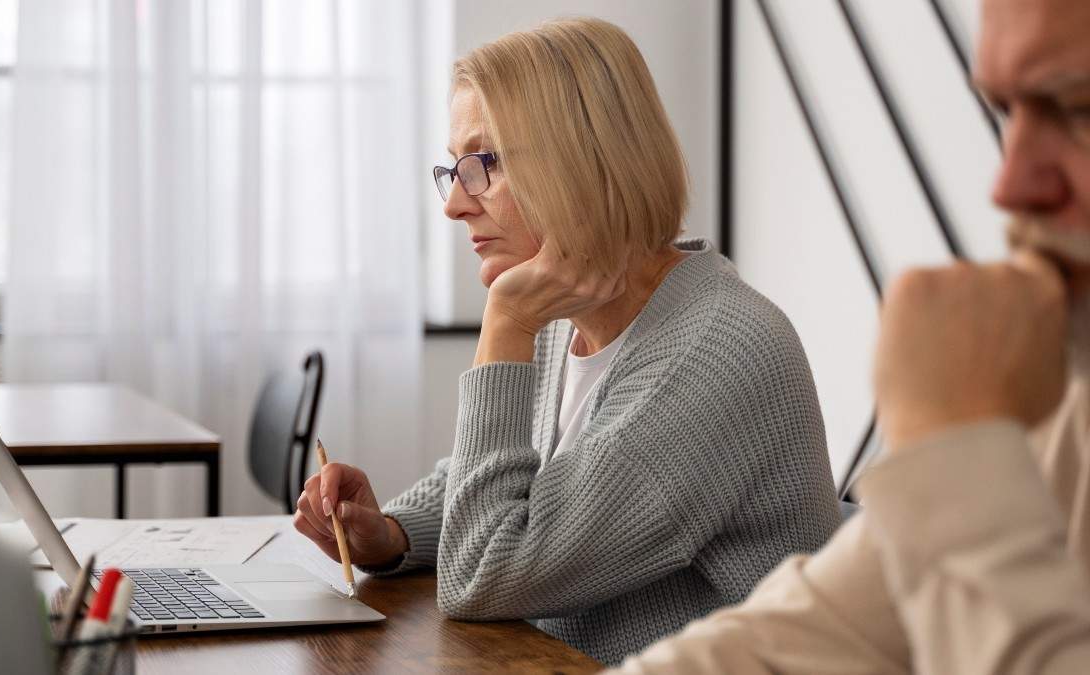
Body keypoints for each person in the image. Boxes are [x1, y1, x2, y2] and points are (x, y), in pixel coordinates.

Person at [292, 17, 840, 665]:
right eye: (454, 170)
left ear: (581, 161)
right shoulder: (570, 315)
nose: (455, 205)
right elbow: (511, 488)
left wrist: (504, 324)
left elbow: (483, 574)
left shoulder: (715, 352)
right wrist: (388, 534)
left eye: (483, 164)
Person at [609, 0, 1090, 672]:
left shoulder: (719, 339)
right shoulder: (1067, 405)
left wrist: (955, 440)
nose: (1008, 184)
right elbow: (803, 634)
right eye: (1008, 113)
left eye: (1079, 110)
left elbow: (500, 567)